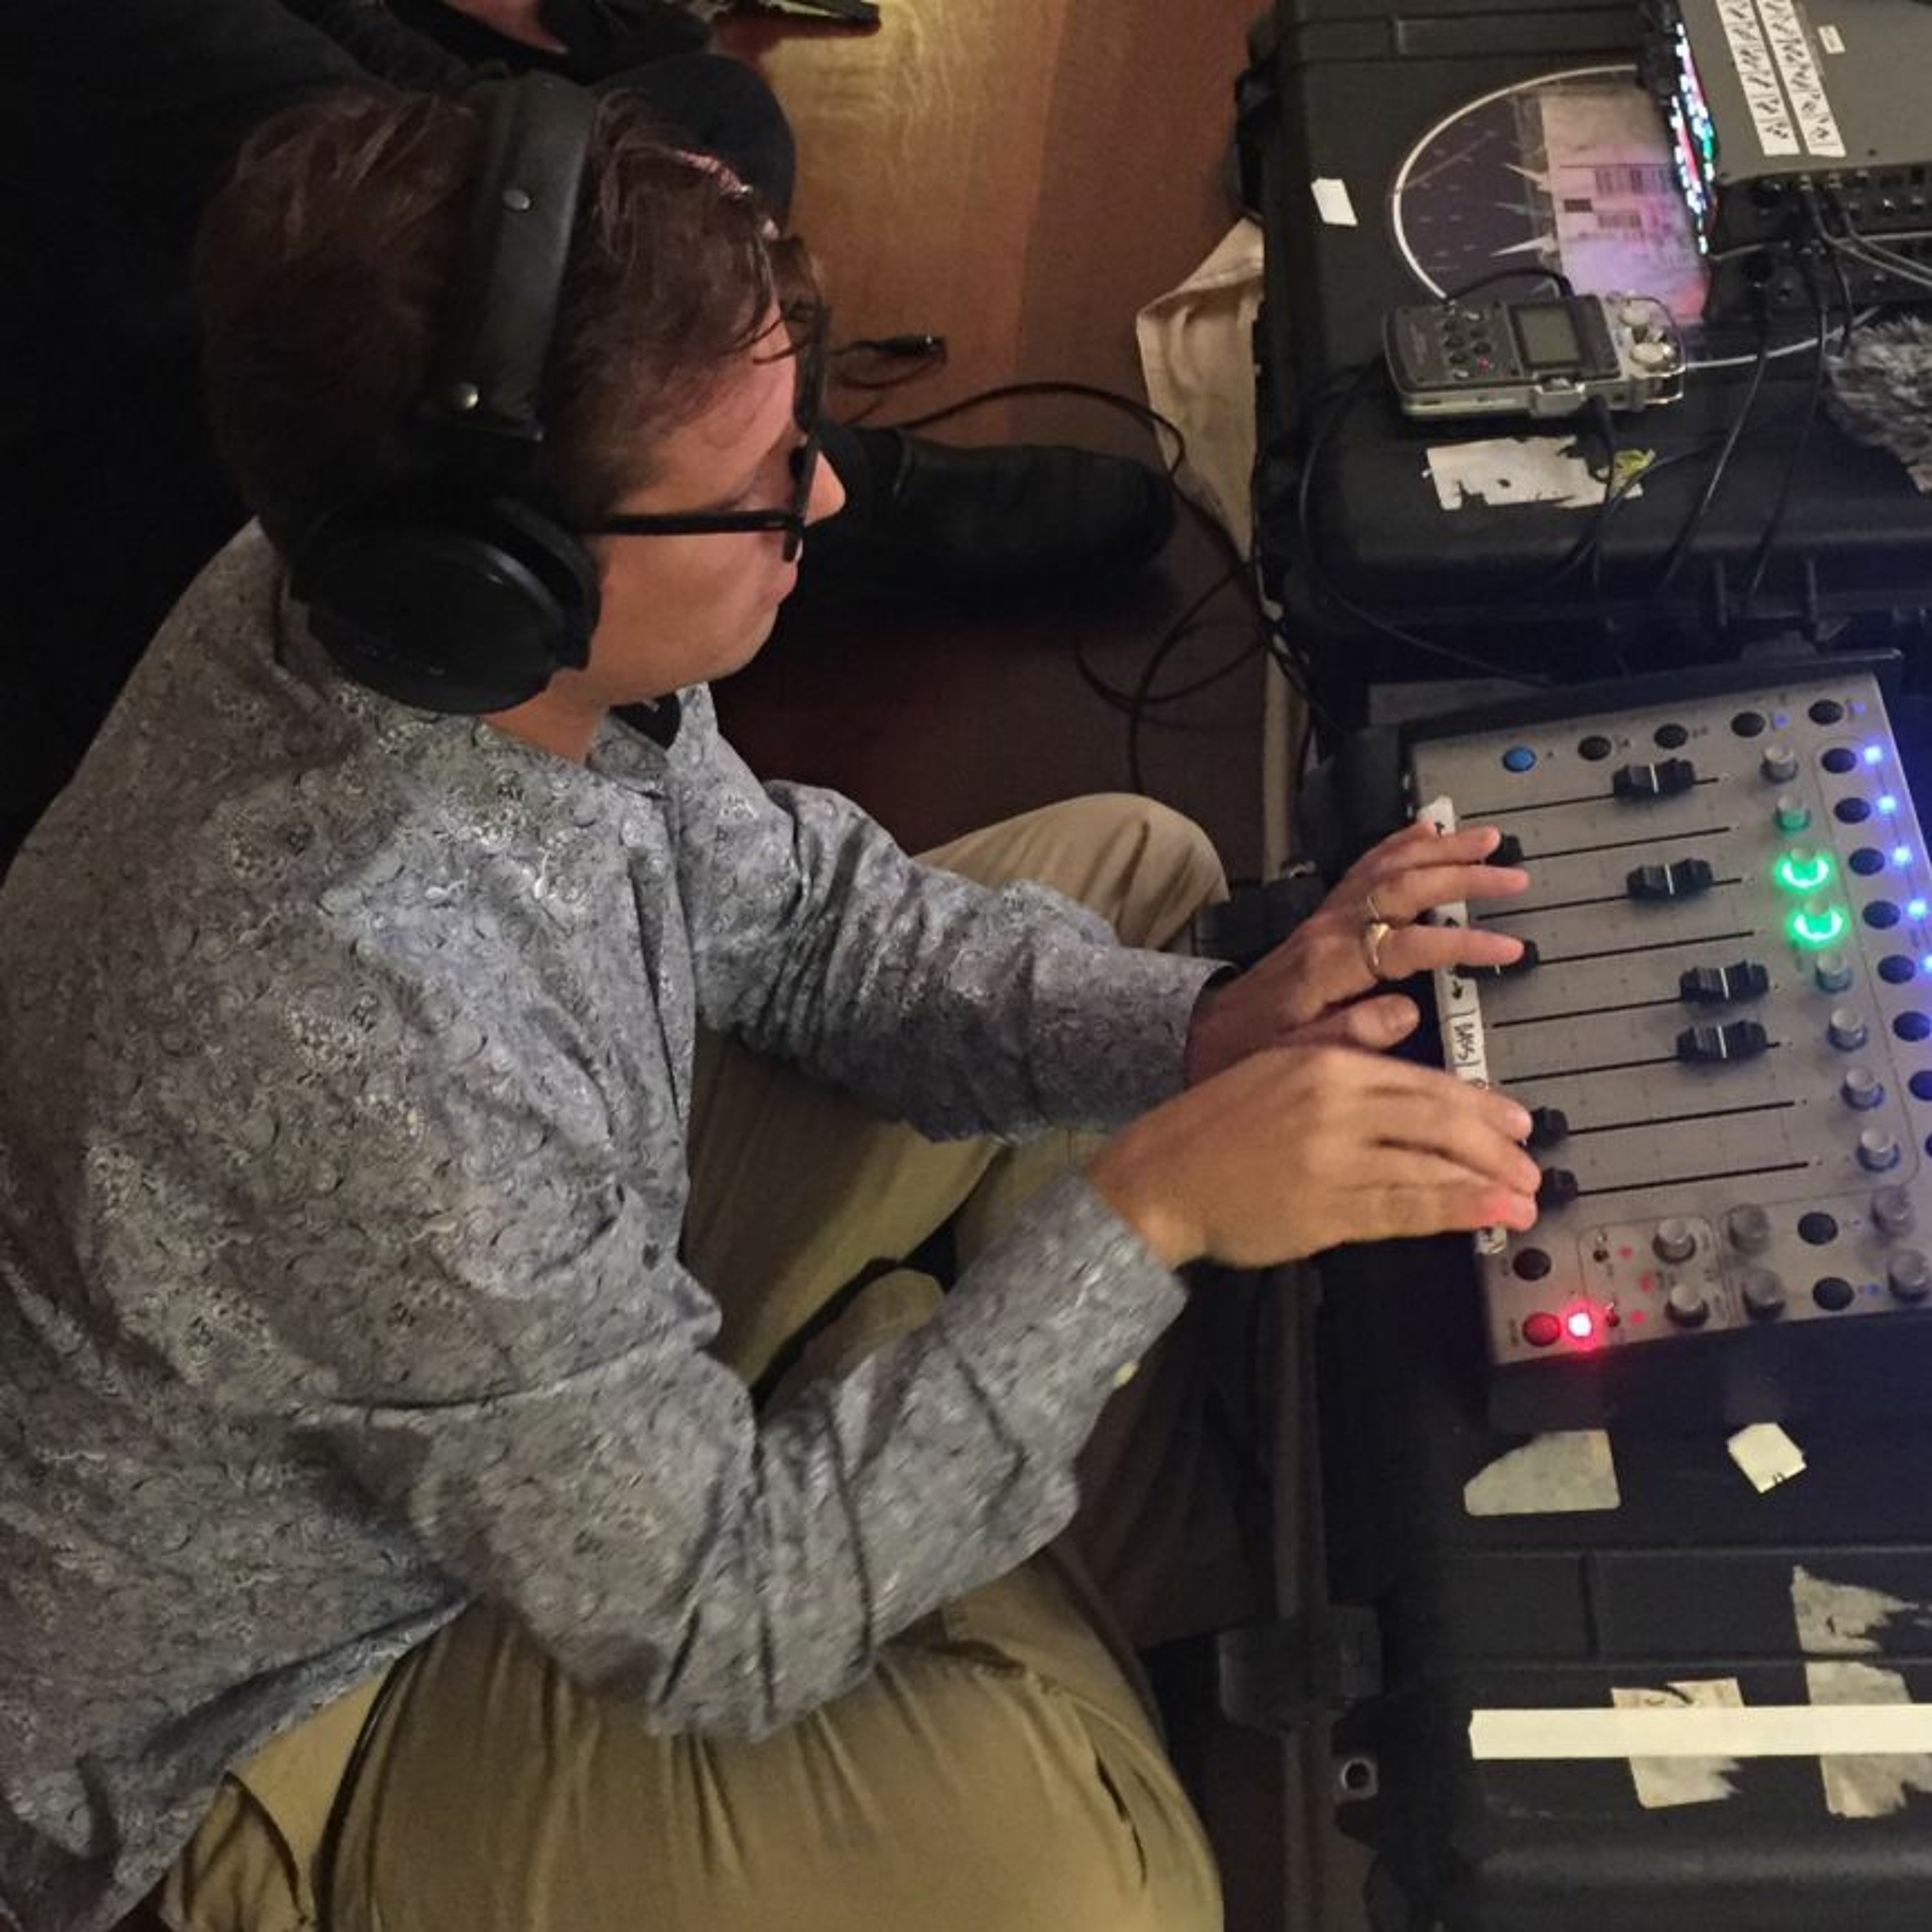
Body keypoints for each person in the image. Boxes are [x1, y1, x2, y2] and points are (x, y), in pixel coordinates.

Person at [0, 77, 1539, 1932]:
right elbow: (728, 1618)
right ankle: (943, 1470)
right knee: (1095, 1890)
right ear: (508, 581)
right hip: (293, 1691)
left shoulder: (392, 590)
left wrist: (1203, 1038)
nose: (820, 491)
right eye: (759, 485)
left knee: (1138, 885)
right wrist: (1155, 1218)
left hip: (514, 1322)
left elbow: (798, 919)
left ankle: (922, 1439)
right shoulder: (352, 1037)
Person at [0, 0, 1172, 870]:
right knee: (648, 244)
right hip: (143, 451)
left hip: (265, 299)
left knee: (711, 127)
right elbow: (390, 189)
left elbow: (437, 94)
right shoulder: (373, 995)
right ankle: (759, 495)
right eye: (781, 479)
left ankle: (729, 492)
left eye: (790, 474)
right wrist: (1144, 1209)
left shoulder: (660, 801)